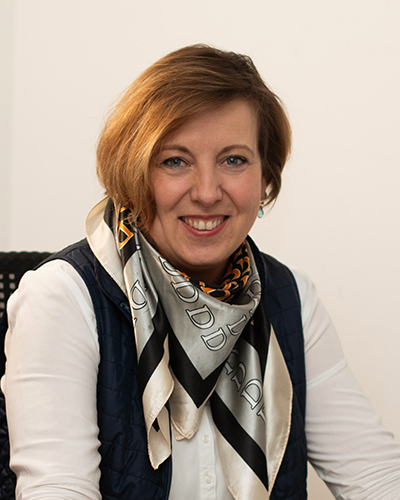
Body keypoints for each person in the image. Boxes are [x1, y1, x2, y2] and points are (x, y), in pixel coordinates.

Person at [1, 44, 400, 500]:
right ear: (133, 173)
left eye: (234, 160)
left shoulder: (291, 298)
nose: (208, 193)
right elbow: (58, 489)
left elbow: (376, 477)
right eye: (175, 161)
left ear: (266, 179)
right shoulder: (62, 297)